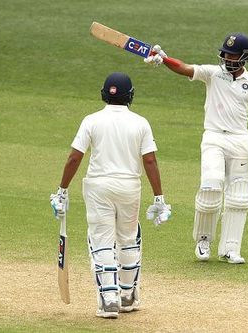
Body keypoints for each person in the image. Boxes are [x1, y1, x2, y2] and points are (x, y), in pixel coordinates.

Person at [144, 33, 248, 264]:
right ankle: (203, 241)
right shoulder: (213, 74)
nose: (226, 57)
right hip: (213, 138)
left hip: (240, 141)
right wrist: (164, 60)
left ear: (244, 57)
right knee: (210, 188)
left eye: (232, 54)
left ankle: (231, 249)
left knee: (239, 197)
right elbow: (185, 68)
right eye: (225, 53)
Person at [49, 72, 171, 319]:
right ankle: (127, 295)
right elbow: (150, 160)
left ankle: (109, 299)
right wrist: (159, 198)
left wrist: (62, 190)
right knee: (128, 238)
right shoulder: (140, 122)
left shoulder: (91, 120)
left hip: (98, 187)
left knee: (102, 240)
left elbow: (75, 157)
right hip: (129, 187)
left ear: (104, 94)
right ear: (131, 96)